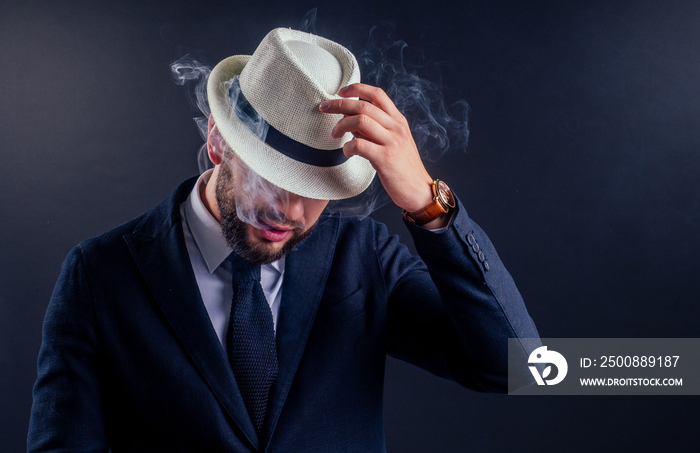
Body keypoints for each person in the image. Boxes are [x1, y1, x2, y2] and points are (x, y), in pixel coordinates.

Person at [28, 28, 539, 452]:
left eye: (316, 190)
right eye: (274, 178)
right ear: (217, 141)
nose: (292, 213)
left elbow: (517, 366)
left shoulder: (364, 258)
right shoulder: (100, 275)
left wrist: (430, 206)